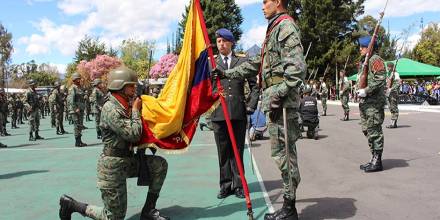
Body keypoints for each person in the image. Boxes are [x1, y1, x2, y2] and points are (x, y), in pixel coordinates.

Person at [213, 0, 305, 218]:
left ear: (278, 2)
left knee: (285, 155)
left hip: (282, 104)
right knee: (280, 154)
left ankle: (290, 208)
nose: (262, 6)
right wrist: (227, 74)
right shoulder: (274, 28)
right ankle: (288, 205)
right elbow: (258, 63)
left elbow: (296, 70)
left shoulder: (285, 27)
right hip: (276, 102)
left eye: (266, 1)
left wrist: (276, 93)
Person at [59, 66, 169, 220]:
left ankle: (148, 210)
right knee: (113, 217)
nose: (134, 88)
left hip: (128, 160)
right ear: (120, 86)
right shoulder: (110, 108)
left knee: (160, 165)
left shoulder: (126, 105)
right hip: (112, 167)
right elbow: (133, 134)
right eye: (131, 85)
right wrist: (137, 111)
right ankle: (72, 205)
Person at [210, 28, 259, 199]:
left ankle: (239, 184)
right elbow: (205, 89)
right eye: (218, 41)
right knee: (222, 152)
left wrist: (251, 105)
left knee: (237, 151)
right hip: (218, 114)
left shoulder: (243, 61)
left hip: (238, 113)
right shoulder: (211, 63)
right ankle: (225, 184)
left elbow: (255, 86)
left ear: (231, 42)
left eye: (224, 41)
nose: (221, 44)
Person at [356, 36, 386, 173]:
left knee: (375, 131)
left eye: (363, 46)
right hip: (365, 103)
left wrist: (366, 91)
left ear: (370, 47)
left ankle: (377, 160)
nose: (360, 49)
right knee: (366, 130)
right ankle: (373, 156)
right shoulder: (365, 61)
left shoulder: (376, 59)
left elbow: (380, 79)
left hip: (373, 104)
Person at [67, 73, 88, 147]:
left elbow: (82, 96)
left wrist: (85, 96)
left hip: (80, 109)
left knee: (80, 125)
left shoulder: (80, 87)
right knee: (77, 125)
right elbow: (71, 100)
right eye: (78, 79)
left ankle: (80, 141)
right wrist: (75, 108)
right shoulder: (72, 88)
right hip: (75, 110)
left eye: (79, 78)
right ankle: (77, 142)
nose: (79, 80)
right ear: (74, 80)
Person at [385, 62, 401, 129]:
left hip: (394, 93)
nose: (388, 68)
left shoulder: (395, 73)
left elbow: (398, 83)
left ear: (392, 67)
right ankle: (393, 122)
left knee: (394, 107)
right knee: (391, 107)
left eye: (389, 66)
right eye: (387, 66)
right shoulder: (388, 74)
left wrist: (391, 89)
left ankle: (393, 123)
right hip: (388, 93)